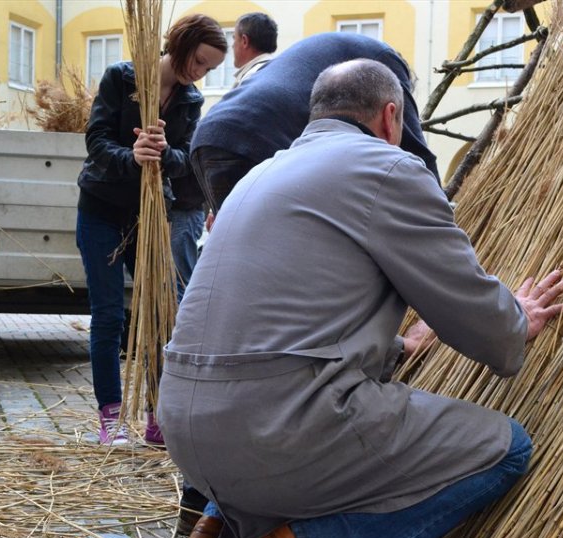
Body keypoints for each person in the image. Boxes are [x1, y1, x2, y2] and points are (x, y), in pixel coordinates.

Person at [157, 60, 563, 538]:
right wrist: (514, 321)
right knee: (505, 447)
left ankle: (215, 536)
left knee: (281, 440)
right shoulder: (387, 168)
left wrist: (399, 344)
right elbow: (469, 305)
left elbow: (281, 322)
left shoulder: (262, 174)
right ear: (390, 116)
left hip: (185, 426)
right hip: (270, 429)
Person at [75, 14, 226, 446]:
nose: (199, 73)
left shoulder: (190, 100)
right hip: (102, 210)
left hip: (152, 215)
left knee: (158, 314)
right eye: (199, 61)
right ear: (181, 45)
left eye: (209, 68)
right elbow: (96, 141)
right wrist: (133, 155)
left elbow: (187, 159)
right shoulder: (122, 78)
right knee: (109, 315)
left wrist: (163, 152)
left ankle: (157, 412)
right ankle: (111, 417)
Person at [189, 32, 439, 224]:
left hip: (208, 136)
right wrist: (441, 220)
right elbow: (417, 157)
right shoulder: (386, 66)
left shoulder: (334, 58)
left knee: (240, 242)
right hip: (259, 138)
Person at [231, 12, 277, 87]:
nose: (232, 46)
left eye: (234, 39)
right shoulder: (277, 71)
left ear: (244, 41)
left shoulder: (250, 79)